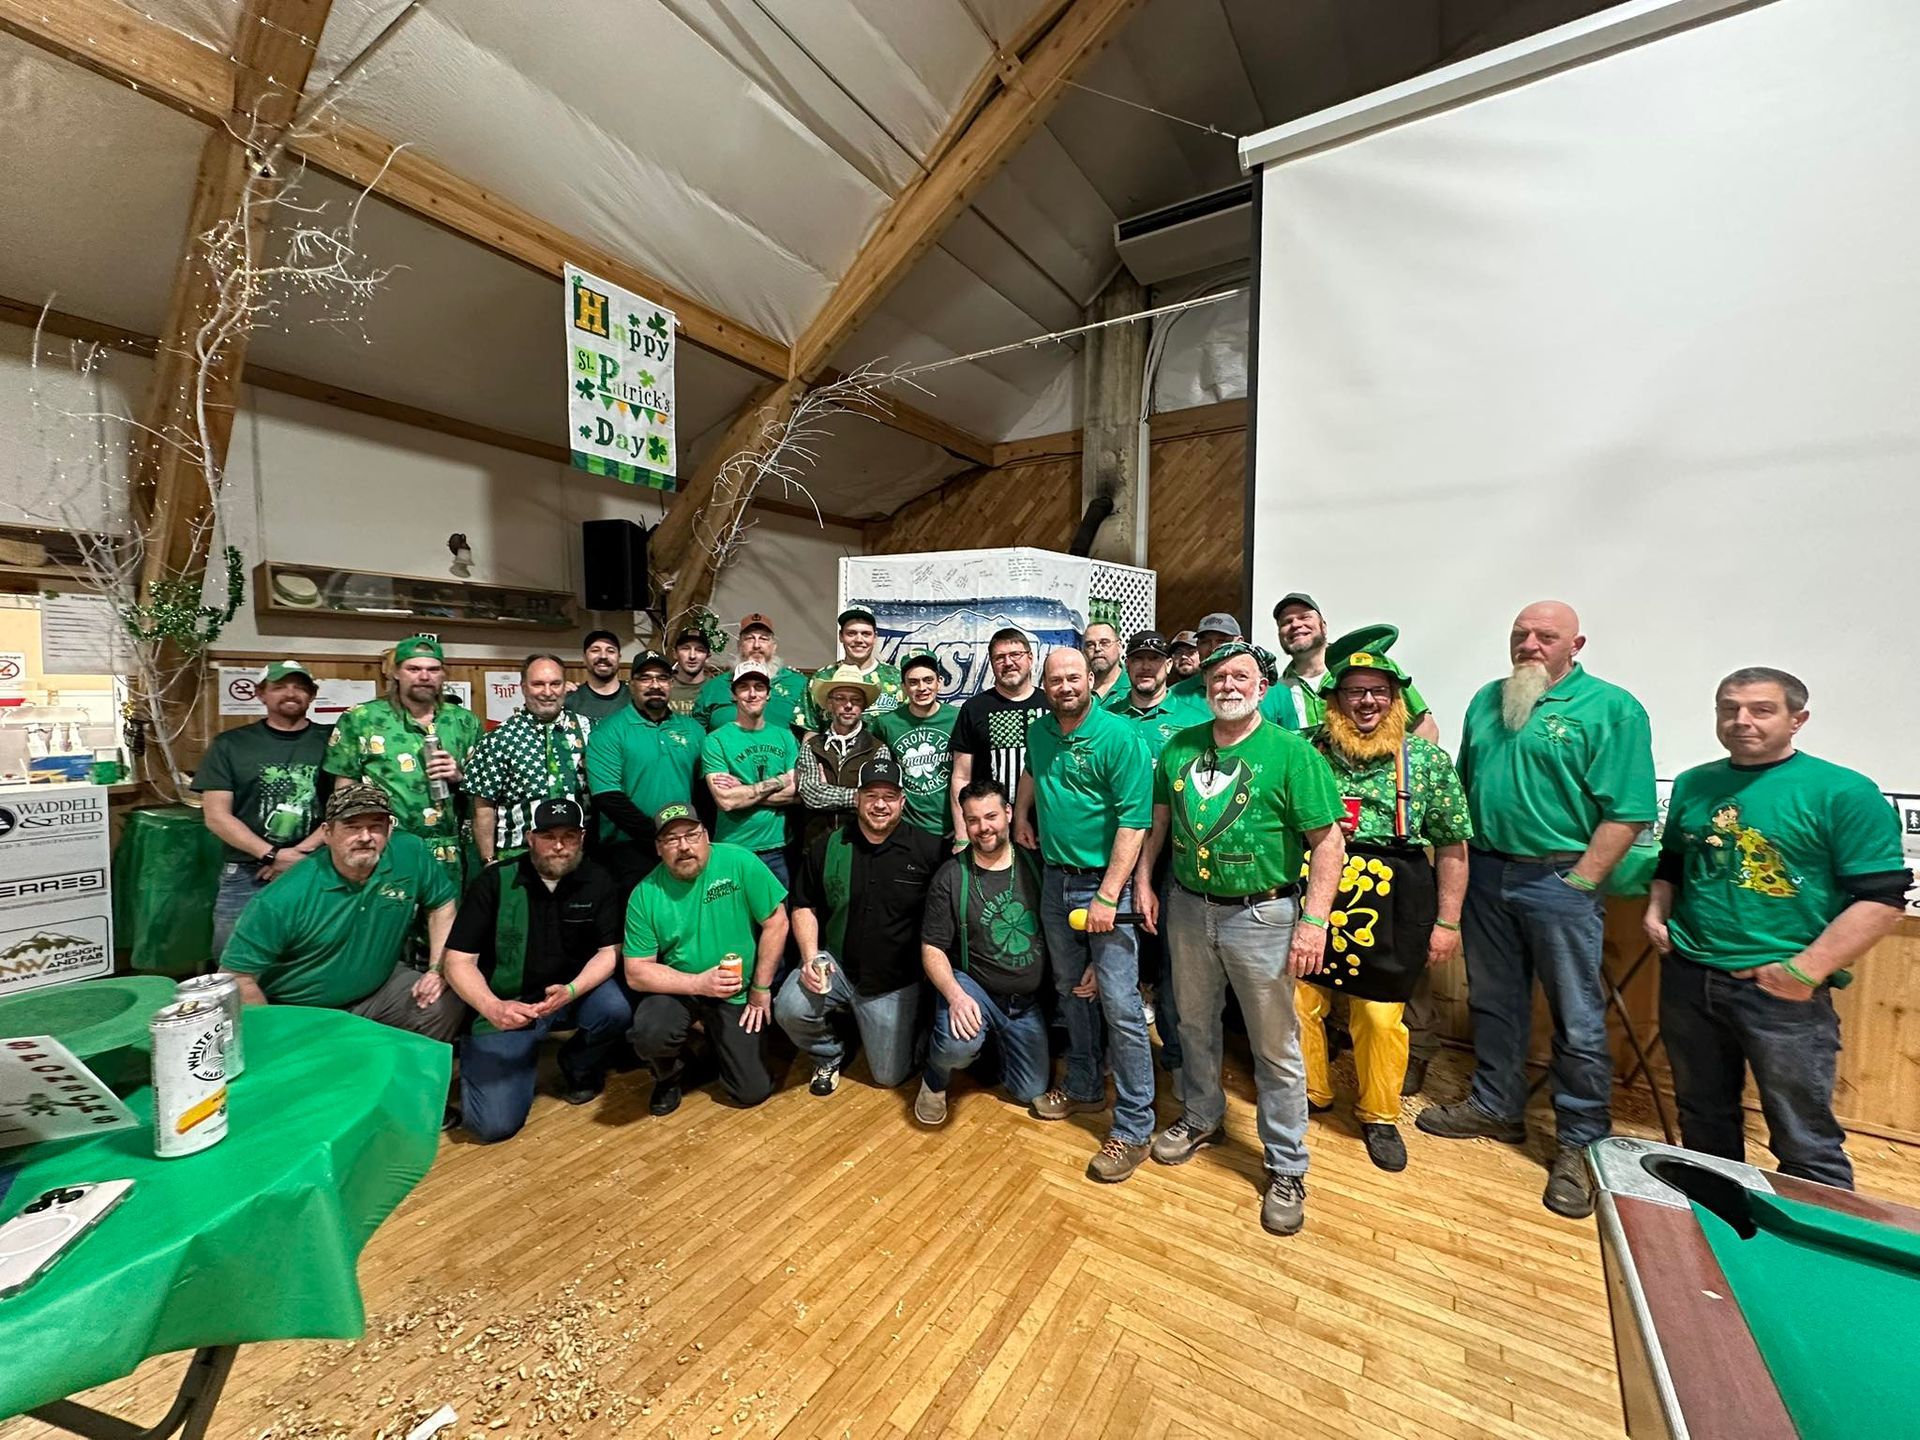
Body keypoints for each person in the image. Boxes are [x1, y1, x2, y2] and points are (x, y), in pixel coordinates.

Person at [1418, 601, 1657, 1220]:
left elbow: (1629, 810)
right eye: (1520, 634)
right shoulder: (1486, 701)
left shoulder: (1612, 708)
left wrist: (1582, 882)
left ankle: (1581, 1142)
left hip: (1559, 879)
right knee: (1494, 1000)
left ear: (1575, 644)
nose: (1529, 644)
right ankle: (1497, 1107)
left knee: (1577, 1017)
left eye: (1544, 636)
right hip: (1488, 872)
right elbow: (1462, 790)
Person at [1644, 668, 1908, 1191]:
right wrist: (1657, 910)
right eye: (1729, 708)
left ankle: (1816, 1256)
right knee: (1702, 1117)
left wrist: (1802, 971)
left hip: (1780, 990)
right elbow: (1673, 861)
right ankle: (1718, 1227)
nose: (1741, 720)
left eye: (1761, 709)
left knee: (1803, 1139)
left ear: (1797, 719)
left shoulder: (1844, 792)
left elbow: (1881, 899)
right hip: (1691, 977)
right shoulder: (1697, 783)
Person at [1137, 641, 1346, 1235]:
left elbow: (1328, 843)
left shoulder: (1291, 753)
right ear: (1205, 687)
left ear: (1262, 686)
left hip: (1263, 916)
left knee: (1274, 1044)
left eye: (1241, 676)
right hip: (1187, 908)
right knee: (1193, 1025)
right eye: (1218, 676)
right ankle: (1202, 1116)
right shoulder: (1180, 746)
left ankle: (1286, 1163)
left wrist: (1313, 921)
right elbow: (1160, 822)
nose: (1228, 684)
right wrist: (1145, 884)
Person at [1301, 646, 1471, 1171]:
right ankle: (1311, 1095)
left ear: (1396, 699)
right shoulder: (1305, 750)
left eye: (1378, 691)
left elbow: (1452, 846)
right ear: (1334, 700)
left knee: (1379, 1016)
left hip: (1396, 895)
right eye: (1355, 691)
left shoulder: (1426, 762)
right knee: (1298, 1000)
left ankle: (1378, 1114)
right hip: (1316, 890)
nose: (1367, 701)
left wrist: (1447, 922)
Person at [1016, 648, 1156, 1184]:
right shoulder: (1039, 731)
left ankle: (1135, 1125)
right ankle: (1082, 1086)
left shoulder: (1120, 737)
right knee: (1069, 989)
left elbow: (1134, 821)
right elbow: (1033, 771)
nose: (1065, 686)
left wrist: (1108, 895)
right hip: (1055, 878)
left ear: (1091, 679)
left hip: (1105, 887)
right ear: (1044, 685)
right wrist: (1021, 815)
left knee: (1120, 1004)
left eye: (1074, 677)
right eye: (1055, 680)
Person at [440, 798, 630, 1142]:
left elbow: (609, 952)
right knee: (491, 1126)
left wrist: (571, 991)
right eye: (548, 836)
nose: (559, 846)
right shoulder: (495, 882)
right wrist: (492, 1007)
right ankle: (511, 1057)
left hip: (570, 995)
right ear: (529, 837)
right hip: (506, 1006)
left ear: (582, 838)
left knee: (615, 1009)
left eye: (569, 836)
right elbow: (456, 961)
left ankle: (577, 1064)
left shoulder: (598, 880)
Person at [218, 781, 463, 1040]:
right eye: (352, 827)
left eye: (375, 827)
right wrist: (276, 1037)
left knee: (445, 1001)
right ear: (327, 833)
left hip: (379, 990)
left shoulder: (409, 852)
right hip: (304, 1010)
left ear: (390, 831)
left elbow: (442, 904)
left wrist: (437, 969)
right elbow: (236, 977)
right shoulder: (283, 898)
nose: (365, 837)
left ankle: (409, 1075)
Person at [776, 756, 943, 1094]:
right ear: (857, 799)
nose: (879, 805)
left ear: (902, 801)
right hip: (836, 966)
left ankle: (914, 1027)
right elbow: (804, 904)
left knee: (887, 1077)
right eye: (870, 796)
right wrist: (810, 958)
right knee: (789, 1008)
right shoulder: (828, 845)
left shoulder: (929, 849)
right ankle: (828, 1053)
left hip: (894, 981)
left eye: (889, 796)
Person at [624, 803, 788, 1113]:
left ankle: (714, 1043)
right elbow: (636, 972)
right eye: (671, 840)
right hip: (682, 989)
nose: (683, 846)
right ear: (658, 848)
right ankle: (668, 1076)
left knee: (751, 1092)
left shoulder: (739, 861)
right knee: (650, 1031)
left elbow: (776, 922)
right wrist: (699, 983)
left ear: (706, 836)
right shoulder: (644, 894)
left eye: (690, 835)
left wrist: (761, 989)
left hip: (738, 992)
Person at [914, 779, 1049, 1125]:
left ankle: (990, 1050)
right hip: (976, 989)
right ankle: (934, 1078)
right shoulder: (951, 876)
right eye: (972, 820)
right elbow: (932, 947)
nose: (983, 828)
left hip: (1025, 1001)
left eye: (990, 816)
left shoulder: (1035, 863)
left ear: (1008, 813)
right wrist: (955, 996)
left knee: (1029, 1090)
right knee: (957, 1044)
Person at [1108, 631, 1208, 1070]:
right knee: (1117, 953)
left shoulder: (1192, 720)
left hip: (1172, 854)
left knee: (1172, 958)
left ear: (1169, 664)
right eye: (1138, 660)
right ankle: (1119, 1048)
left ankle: (1175, 1055)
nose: (1146, 667)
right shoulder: (1107, 716)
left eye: (1155, 659)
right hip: (1112, 849)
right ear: (1127, 665)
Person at [194, 659, 332, 955]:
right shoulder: (230, 744)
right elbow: (216, 816)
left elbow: (344, 806)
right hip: (247, 871)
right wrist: (272, 855)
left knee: (312, 954)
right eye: (280, 686)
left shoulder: (333, 741)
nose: (291, 693)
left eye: (300, 687)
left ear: (313, 695)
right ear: (260, 693)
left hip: (317, 866)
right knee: (233, 957)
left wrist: (300, 855)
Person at [324, 635, 481, 887]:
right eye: (414, 669)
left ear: (443, 675)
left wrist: (458, 776)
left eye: (433, 669)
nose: (424, 676)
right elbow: (344, 790)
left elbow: (482, 793)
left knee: (446, 921)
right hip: (385, 848)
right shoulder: (361, 718)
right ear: (397, 673)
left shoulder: (464, 721)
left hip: (449, 849)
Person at [584, 649, 706, 890]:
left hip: (684, 846)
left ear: (671, 684)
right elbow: (608, 797)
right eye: (645, 678)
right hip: (627, 849)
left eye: (662, 678)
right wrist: (659, 835)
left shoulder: (693, 729)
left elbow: (703, 788)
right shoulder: (609, 731)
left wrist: (689, 836)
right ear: (631, 685)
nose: (655, 685)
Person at [464, 653, 592, 862]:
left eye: (555, 684)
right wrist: (489, 861)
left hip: (577, 855)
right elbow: (483, 808)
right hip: (519, 856)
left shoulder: (589, 730)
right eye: (538, 684)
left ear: (564, 686)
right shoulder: (498, 738)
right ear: (523, 687)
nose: (547, 692)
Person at [1274, 599, 1441, 741]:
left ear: (1323, 626)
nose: (1295, 624)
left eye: (1305, 617)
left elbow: (1425, 727)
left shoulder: (1372, 667)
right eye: (1286, 622)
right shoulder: (1275, 691)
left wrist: (1410, 774)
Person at [700, 661, 800, 885]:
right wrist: (781, 780)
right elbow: (726, 801)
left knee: (780, 920)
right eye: (744, 687)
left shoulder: (785, 737)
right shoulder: (715, 740)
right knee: (732, 919)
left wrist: (744, 793)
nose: (752, 694)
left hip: (779, 850)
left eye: (759, 687)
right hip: (732, 848)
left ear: (769, 694)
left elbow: (797, 793)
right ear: (733, 695)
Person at [795, 665, 891, 855]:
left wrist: (828, 791)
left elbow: (878, 801)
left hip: (862, 847)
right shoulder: (811, 746)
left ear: (863, 706)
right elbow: (811, 795)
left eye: (855, 700)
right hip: (816, 846)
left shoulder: (878, 749)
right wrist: (860, 795)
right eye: (841, 698)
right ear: (829, 704)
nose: (848, 705)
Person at [949, 626, 1049, 806]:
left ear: (1030, 657)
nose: (1008, 662)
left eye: (1015, 654)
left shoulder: (1051, 705)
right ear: (991, 663)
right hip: (989, 823)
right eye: (1000, 657)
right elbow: (961, 777)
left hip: (1045, 821)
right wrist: (963, 832)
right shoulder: (974, 708)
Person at [870, 652, 960, 843]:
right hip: (908, 828)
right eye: (913, 682)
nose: (922, 688)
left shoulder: (959, 717)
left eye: (928, 680)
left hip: (954, 826)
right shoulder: (886, 724)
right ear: (903, 687)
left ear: (940, 682)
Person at [695, 613, 811, 732]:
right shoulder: (714, 687)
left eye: (763, 639)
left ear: (774, 647)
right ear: (739, 645)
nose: (756, 645)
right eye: (749, 638)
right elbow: (696, 735)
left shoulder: (799, 685)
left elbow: (812, 733)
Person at [807, 606, 901, 728]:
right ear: (841, 636)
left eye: (866, 634)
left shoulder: (896, 677)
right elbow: (811, 729)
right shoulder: (822, 678)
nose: (859, 640)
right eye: (851, 633)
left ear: (875, 637)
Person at [565, 630, 631, 724]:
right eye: (595, 650)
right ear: (584, 658)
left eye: (610, 651)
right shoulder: (569, 700)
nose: (603, 656)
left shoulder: (636, 698)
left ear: (619, 658)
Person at [666, 625, 714, 717]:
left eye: (699, 650)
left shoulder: (715, 689)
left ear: (707, 657)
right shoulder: (663, 687)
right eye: (685, 648)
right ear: (675, 653)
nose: (692, 656)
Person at [1081, 620, 1130, 707]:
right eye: (1090, 645)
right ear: (1083, 650)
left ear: (1119, 647)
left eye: (1104, 643)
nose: (1097, 649)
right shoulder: (1078, 688)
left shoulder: (1134, 685)